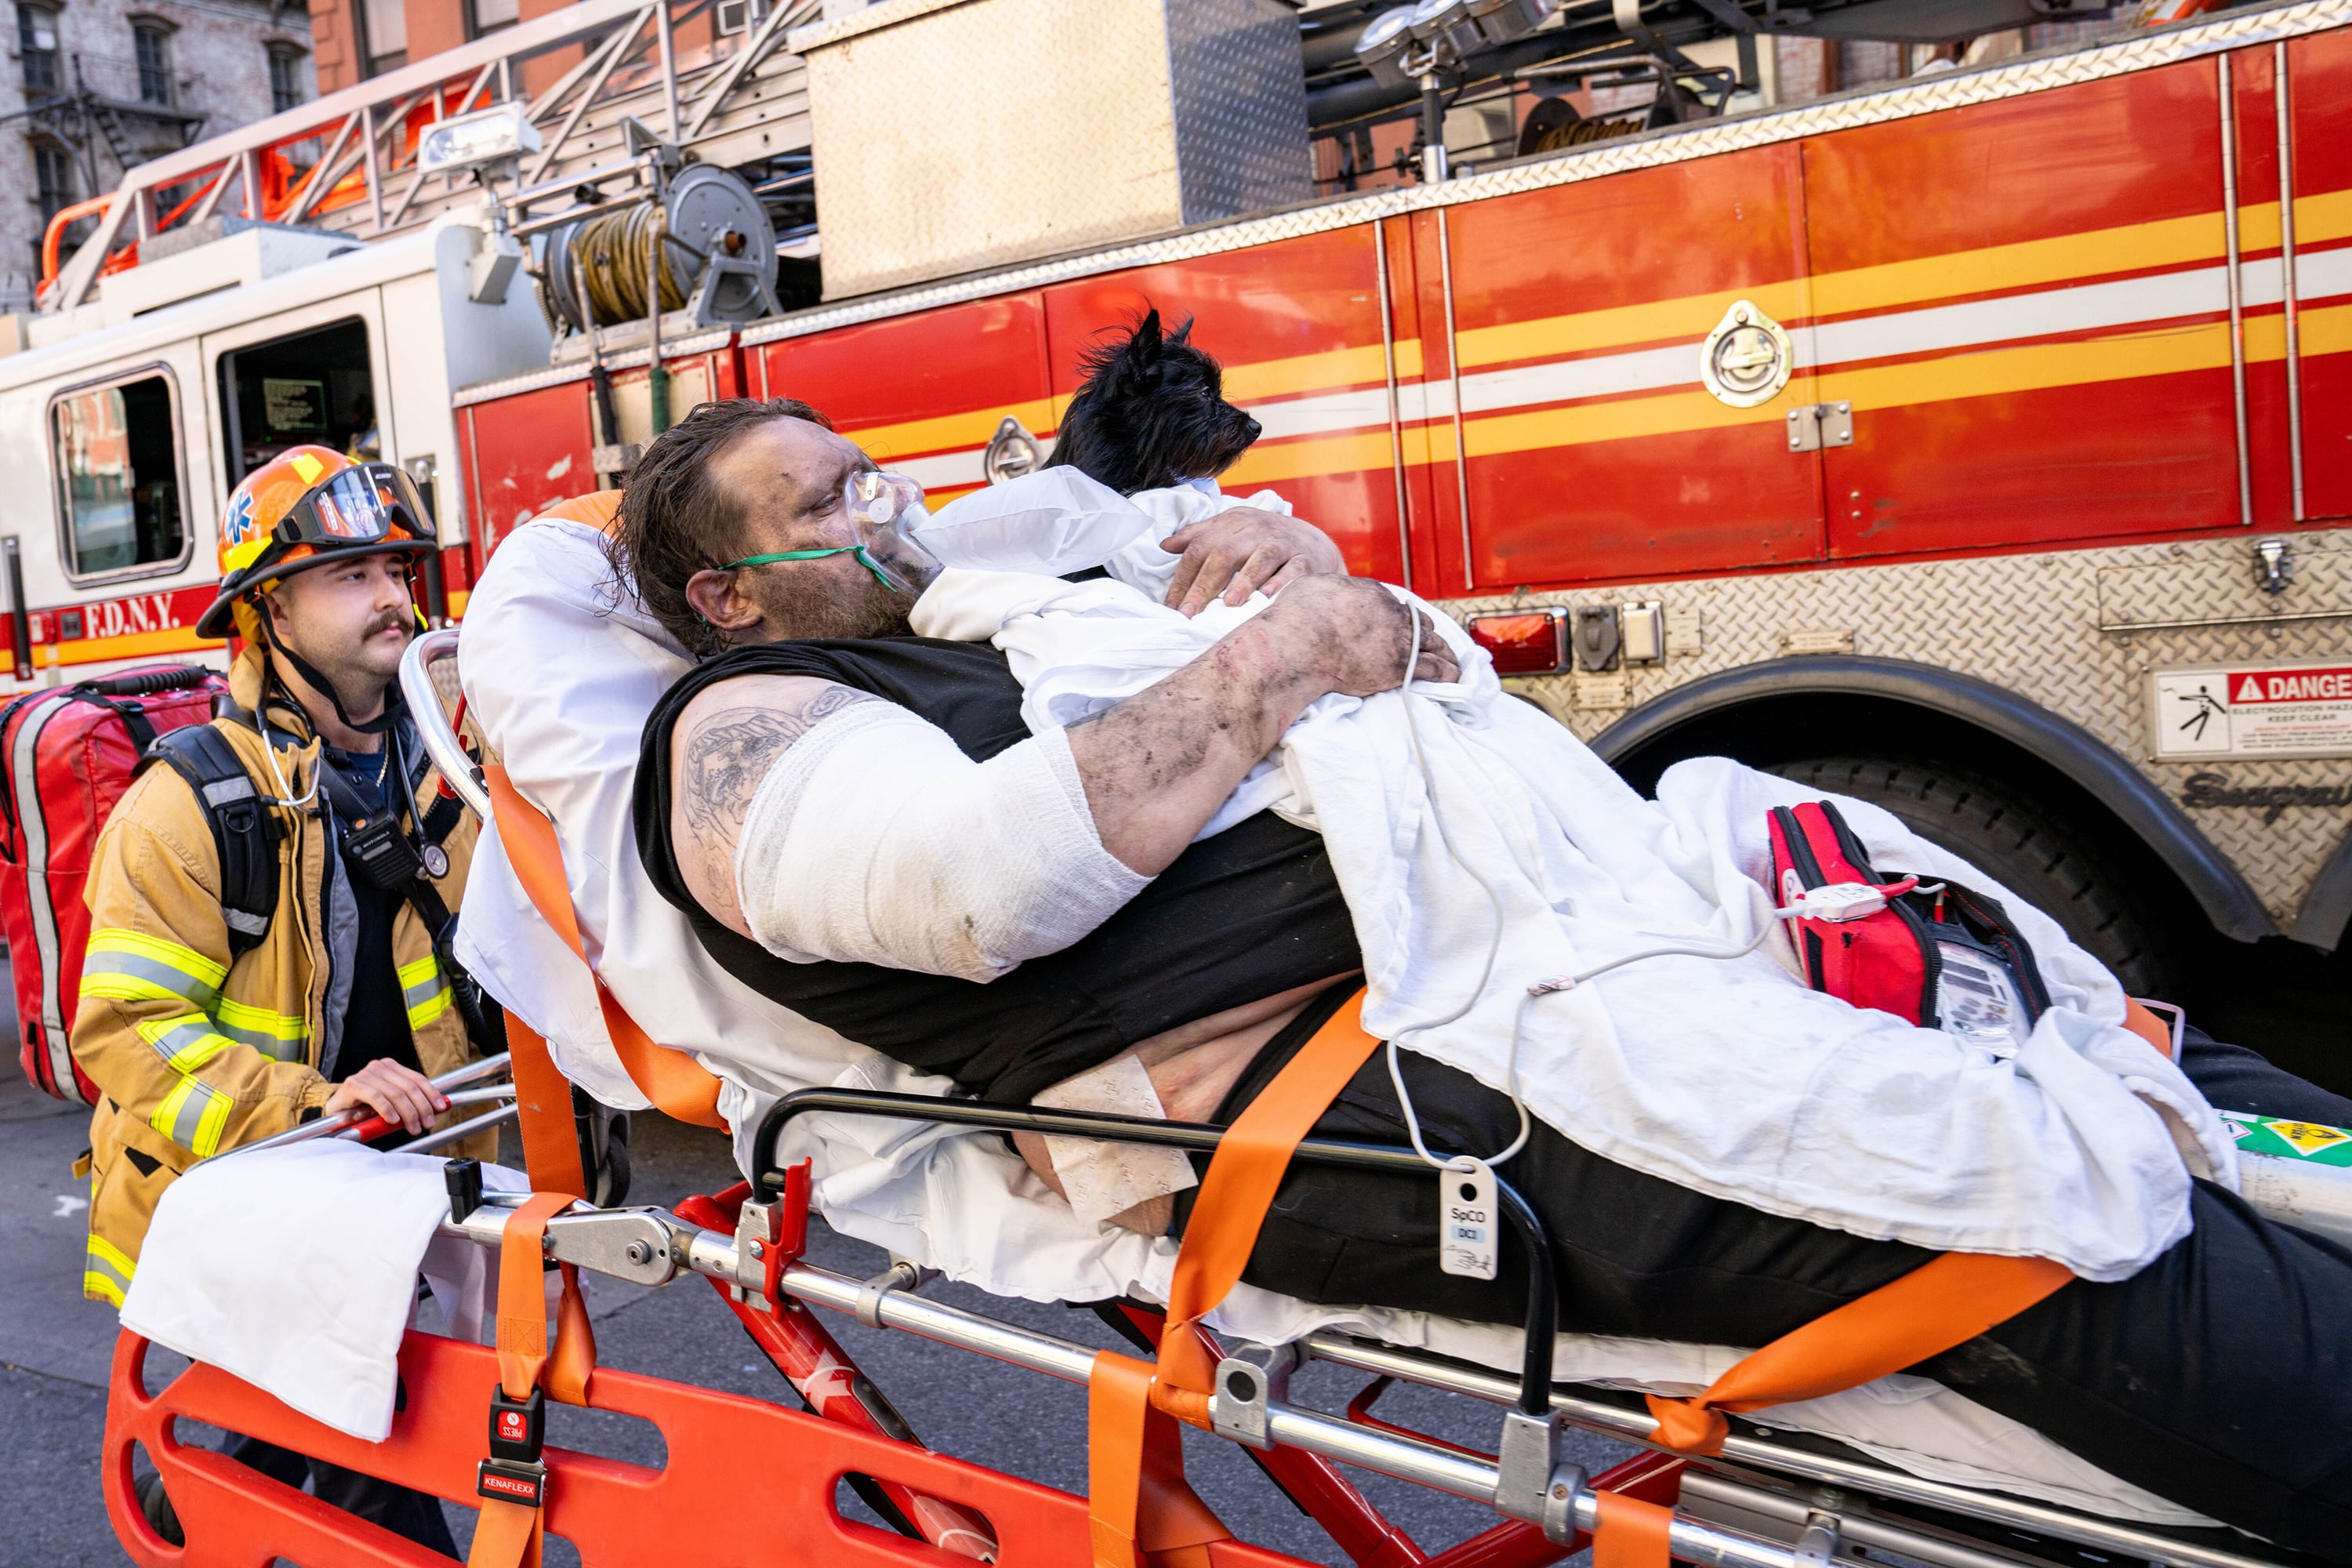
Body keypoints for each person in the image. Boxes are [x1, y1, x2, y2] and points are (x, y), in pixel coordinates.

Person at [605, 397, 2352, 1553]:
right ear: (724, 590)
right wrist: (1298, 643)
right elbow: (982, 887)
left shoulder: (1025, 615)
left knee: (2136, 1069)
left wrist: (1304, 590)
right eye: (830, 499)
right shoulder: (734, 734)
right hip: (1353, 1071)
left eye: (874, 468)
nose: (894, 508)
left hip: (1543, 936)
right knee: (2037, 1224)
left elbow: (1403, 678)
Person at [75, 445, 492, 1556]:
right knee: (375, 1463)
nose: (394, 597)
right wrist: (313, 1103)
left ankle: (198, 1484)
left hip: (394, 1182)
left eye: (397, 570)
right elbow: (128, 1034)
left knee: (325, 1414)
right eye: (350, 575)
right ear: (267, 611)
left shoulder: (438, 770)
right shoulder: (188, 803)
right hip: (256, 1187)